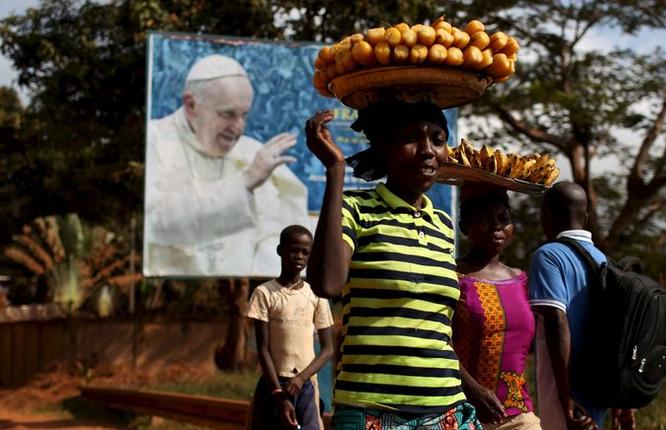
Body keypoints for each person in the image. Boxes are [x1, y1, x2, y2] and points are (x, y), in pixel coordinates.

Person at [304, 101, 482, 429]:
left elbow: (437, 329)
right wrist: (335, 171)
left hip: (445, 410)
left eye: (438, 139)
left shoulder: (443, 225)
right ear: (385, 146)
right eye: (411, 138)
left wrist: (470, 387)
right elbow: (326, 283)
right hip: (373, 412)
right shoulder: (356, 209)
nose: (428, 150)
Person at [144, 54, 309, 277]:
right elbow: (156, 222)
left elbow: (279, 232)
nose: (239, 127)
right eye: (228, 114)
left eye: (244, 114)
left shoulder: (253, 152)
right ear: (191, 105)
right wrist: (245, 181)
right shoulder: (153, 140)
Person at [528, 182, 634, 430]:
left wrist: (565, 398)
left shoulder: (549, 255)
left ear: (547, 216)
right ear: (585, 218)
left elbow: (557, 321)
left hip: (567, 395)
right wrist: (622, 399)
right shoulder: (605, 261)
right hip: (599, 390)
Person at [453, 186, 541, 430]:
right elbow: (437, 341)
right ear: (464, 227)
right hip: (463, 415)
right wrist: (474, 390)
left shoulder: (522, 280)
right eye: (483, 220)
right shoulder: (453, 277)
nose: (497, 227)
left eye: (503, 219)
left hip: (519, 415)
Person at [246, 225, 334, 429]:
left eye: (305, 252)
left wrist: (301, 378)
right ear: (280, 250)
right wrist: (278, 393)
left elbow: (328, 348)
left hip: (306, 386)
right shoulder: (264, 293)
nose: (299, 256)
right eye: (294, 250)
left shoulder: (316, 295)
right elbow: (263, 349)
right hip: (273, 385)